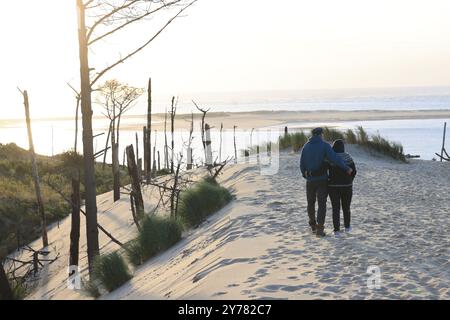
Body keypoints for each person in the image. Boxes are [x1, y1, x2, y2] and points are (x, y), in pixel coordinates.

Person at [300, 128, 352, 237]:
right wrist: (346, 168)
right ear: (320, 135)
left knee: (310, 202)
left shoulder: (306, 146)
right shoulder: (324, 145)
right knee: (321, 204)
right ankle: (320, 229)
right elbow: (335, 159)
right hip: (322, 180)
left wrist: (305, 175)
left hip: (310, 180)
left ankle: (312, 224)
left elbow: (302, 164)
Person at [328, 139, 357, 235]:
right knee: (346, 207)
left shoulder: (331, 158)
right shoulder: (348, 157)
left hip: (333, 187)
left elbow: (326, 171)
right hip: (347, 186)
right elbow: (354, 171)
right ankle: (347, 227)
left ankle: (336, 230)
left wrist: (329, 180)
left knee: (335, 209)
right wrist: (350, 180)